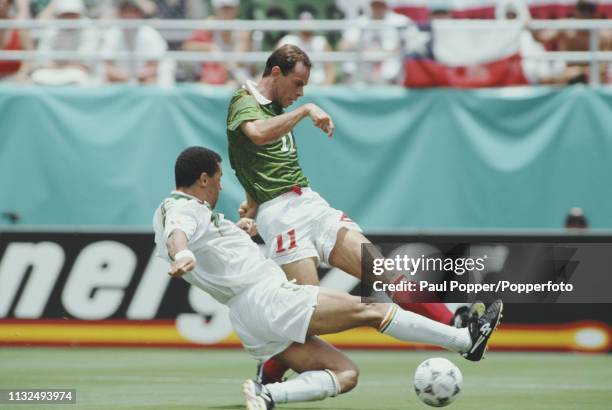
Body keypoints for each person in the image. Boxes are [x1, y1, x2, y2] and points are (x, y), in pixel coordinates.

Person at [152, 146, 503, 410]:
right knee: (373, 311)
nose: (218, 188)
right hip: (267, 297)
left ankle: (267, 394)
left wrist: (237, 231)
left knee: (346, 375)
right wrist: (182, 252)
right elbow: (178, 234)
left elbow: (196, 238)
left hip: (247, 319)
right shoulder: (183, 210)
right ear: (203, 179)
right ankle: (463, 340)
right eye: (217, 180)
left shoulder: (176, 211)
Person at [226, 44, 483, 383]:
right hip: (282, 216)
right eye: (297, 83)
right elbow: (255, 137)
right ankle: (272, 372)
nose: (300, 92)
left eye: (304, 87)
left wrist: (250, 201)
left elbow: (258, 162)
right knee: (307, 311)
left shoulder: (275, 108)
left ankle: (458, 330)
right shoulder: (244, 101)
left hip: (310, 203)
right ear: (276, 73)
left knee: (383, 270)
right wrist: (306, 111)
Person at [101, 0, 171, 85]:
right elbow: (108, 67)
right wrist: (126, 78)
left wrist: (136, 77)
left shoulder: (151, 34)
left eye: (134, 12)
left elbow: (154, 67)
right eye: (126, 12)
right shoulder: (112, 34)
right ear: (120, 14)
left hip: (143, 80)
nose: (129, 15)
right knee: (105, 79)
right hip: (119, 80)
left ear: (140, 15)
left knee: (152, 80)